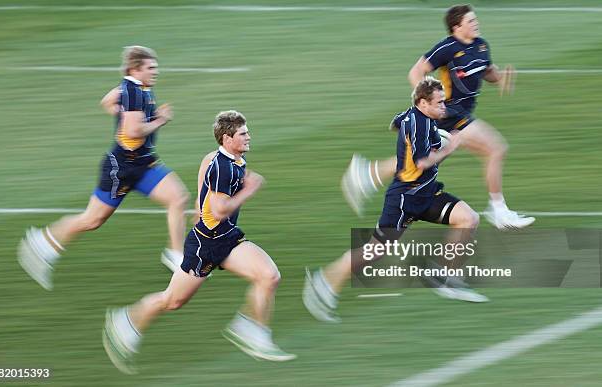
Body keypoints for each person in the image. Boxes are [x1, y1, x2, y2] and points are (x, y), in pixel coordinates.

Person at [103, 111, 295, 374]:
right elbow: (219, 210)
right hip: (205, 246)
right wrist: (248, 190)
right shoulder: (223, 167)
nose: (249, 136)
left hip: (226, 239)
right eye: (243, 134)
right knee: (172, 301)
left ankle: (251, 329)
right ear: (228, 138)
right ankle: (126, 320)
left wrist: (198, 206)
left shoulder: (221, 157)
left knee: (269, 276)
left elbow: (205, 181)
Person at [304, 78, 487, 323]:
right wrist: (449, 147)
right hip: (405, 200)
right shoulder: (421, 126)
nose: (444, 107)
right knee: (374, 251)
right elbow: (423, 163)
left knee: (468, 219)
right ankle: (324, 282)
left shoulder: (413, 116)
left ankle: (443, 276)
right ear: (423, 103)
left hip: (427, 193)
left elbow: (396, 122)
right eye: (439, 102)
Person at [341, 4, 535, 230]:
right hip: (450, 114)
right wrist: (429, 103)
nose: (476, 23)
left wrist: (500, 78)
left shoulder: (481, 46)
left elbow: (487, 71)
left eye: (475, 20)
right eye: (470, 21)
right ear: (456, 27)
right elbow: (415, 72)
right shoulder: (447, 48)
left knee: (422, 163)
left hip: (462, 114)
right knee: (496, 148)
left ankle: (365, 174)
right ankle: (498, 210)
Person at [17, 46, 190, 290]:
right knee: (92, 220)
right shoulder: (134, 92)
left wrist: (122, 116)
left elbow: (107, 101)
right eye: (151, 68)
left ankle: (176, 255)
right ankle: (43, 242)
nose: (156, 71)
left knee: (178, 197)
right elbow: (133, 131)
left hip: (142, 164)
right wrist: (160, 120)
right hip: (121, 169)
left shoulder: (134, 87)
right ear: (135, 69)